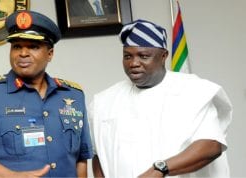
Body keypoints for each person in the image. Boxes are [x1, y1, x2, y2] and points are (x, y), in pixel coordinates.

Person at [0, 10, 93, 178]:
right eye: (16, 46)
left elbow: (81, 158)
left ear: (50, 53)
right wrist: (9, 176)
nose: (23, 53)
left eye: (33, 47)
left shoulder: (73, 96)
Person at [89, 19, 232, 178]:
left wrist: (160, 169)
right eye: (127, 56)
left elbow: (211, 145)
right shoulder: (105, 101)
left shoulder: (194, 91)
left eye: (143, 56)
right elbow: (98, 154)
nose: (134, 63)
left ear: (163, 56)